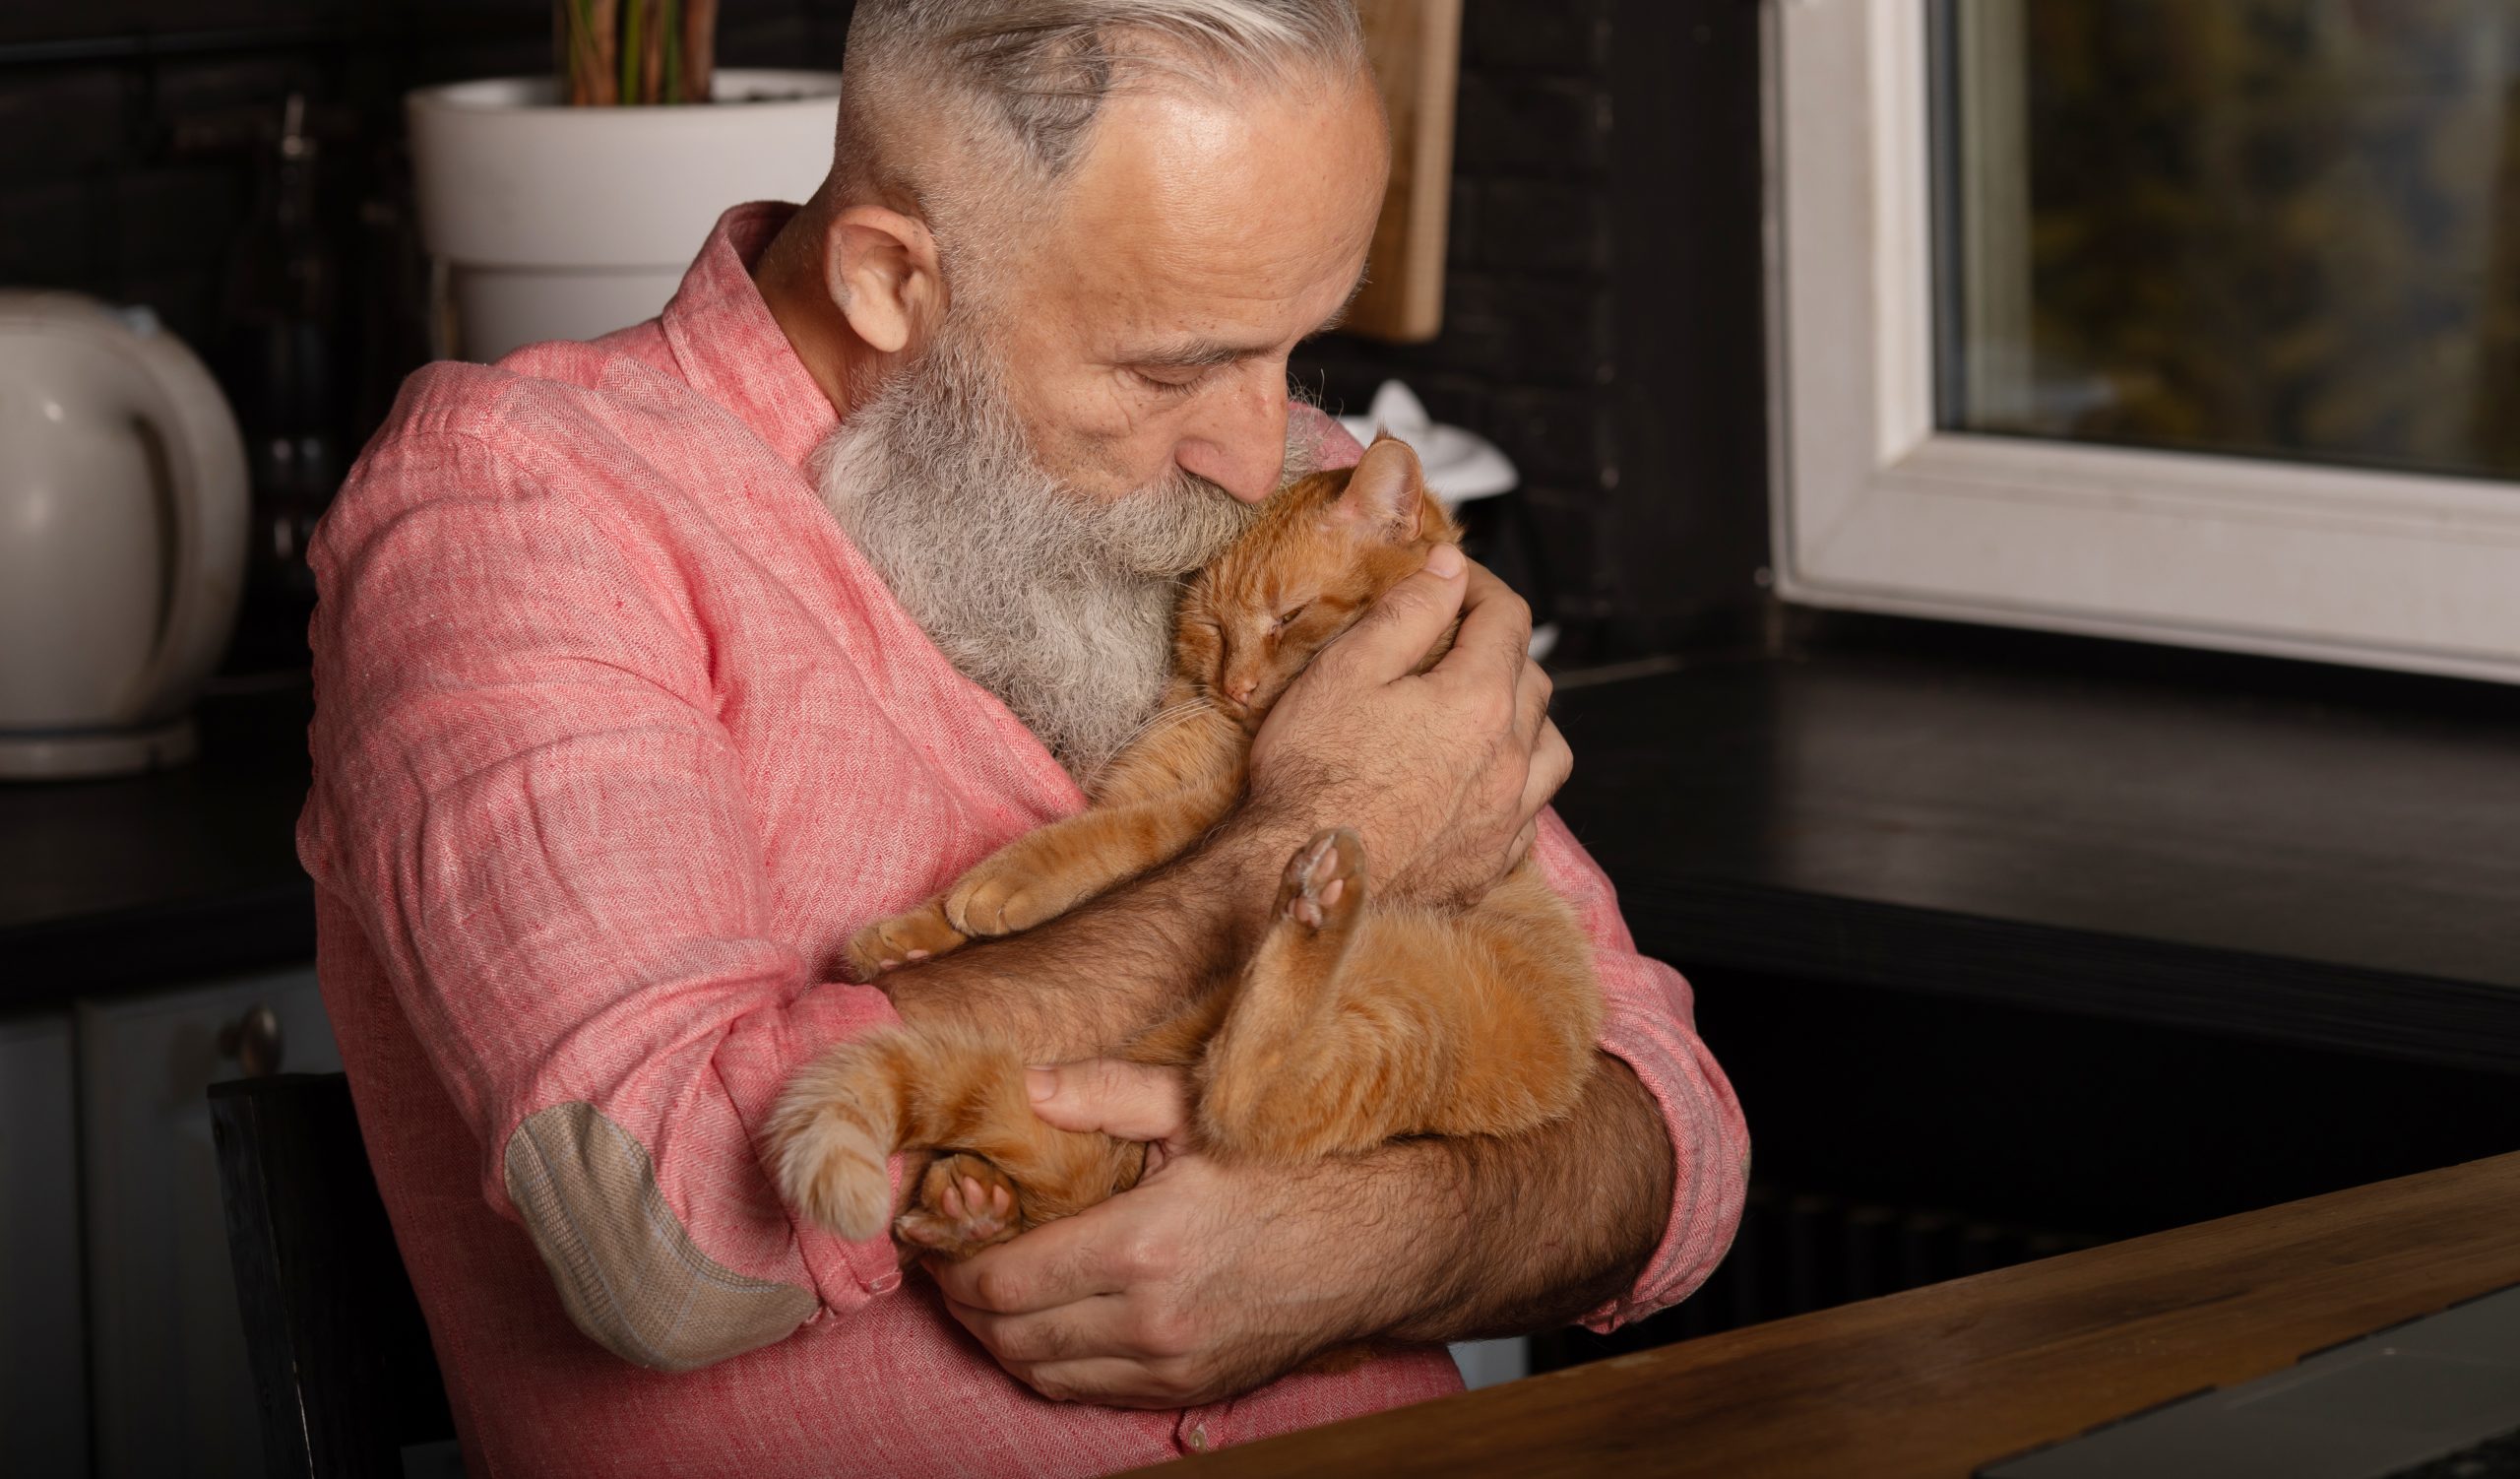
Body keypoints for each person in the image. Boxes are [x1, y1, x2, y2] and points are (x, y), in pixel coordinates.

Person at [297, 3, 1748, 1474]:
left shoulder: (1292, 502)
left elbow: (1670, 1133)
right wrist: (1293, 850)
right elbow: (661, 1237)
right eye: (1168, 369)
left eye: (1297, 349)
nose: (1269, 455)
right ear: (889, 280)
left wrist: (1365, 1246)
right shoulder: (519, 506)